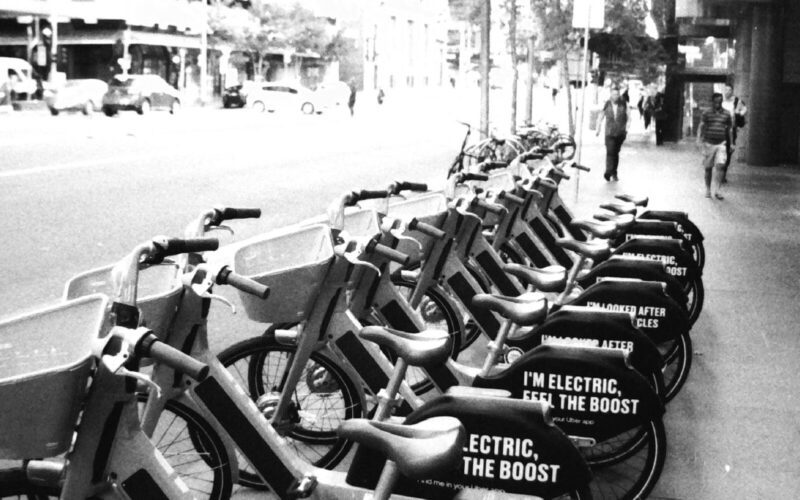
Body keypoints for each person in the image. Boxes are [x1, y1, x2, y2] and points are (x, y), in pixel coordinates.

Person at [696, 92, 733, 200]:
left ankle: (717, 190)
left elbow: (729, 129)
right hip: (709, 143)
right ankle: (708, 189)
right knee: (708, 168)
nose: (718, 103)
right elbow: (701, 125)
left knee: (721, 166)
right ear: (712, 102)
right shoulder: (706, 113)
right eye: (716, 101)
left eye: (720, 101)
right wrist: (699, 139)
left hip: (722, 143)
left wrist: (732, 143)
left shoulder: (726, 113)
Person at [595, 87, 629, 182]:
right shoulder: (606, 104)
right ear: (610, 95)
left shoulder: (624, 104)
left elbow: (629, 117)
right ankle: (608, 172)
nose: (616, 96)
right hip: (609, 133)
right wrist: (598, 129)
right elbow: (600, 117)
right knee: (610, 151)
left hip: (620, 133)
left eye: (617, 94)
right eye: (614, 94)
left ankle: (614, 172)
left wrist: (626, 129)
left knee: (615, 152)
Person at [720, 83, 747, 183]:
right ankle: (720, 170)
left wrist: (740, 113)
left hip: (731, 130)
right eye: (726, 90)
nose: (727, 92)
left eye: (729, 90)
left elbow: (744, 109)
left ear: (732, 91)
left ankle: (723, 173)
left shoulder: (736, 101)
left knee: (728, 152)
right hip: (719, 130)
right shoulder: (720, 101)